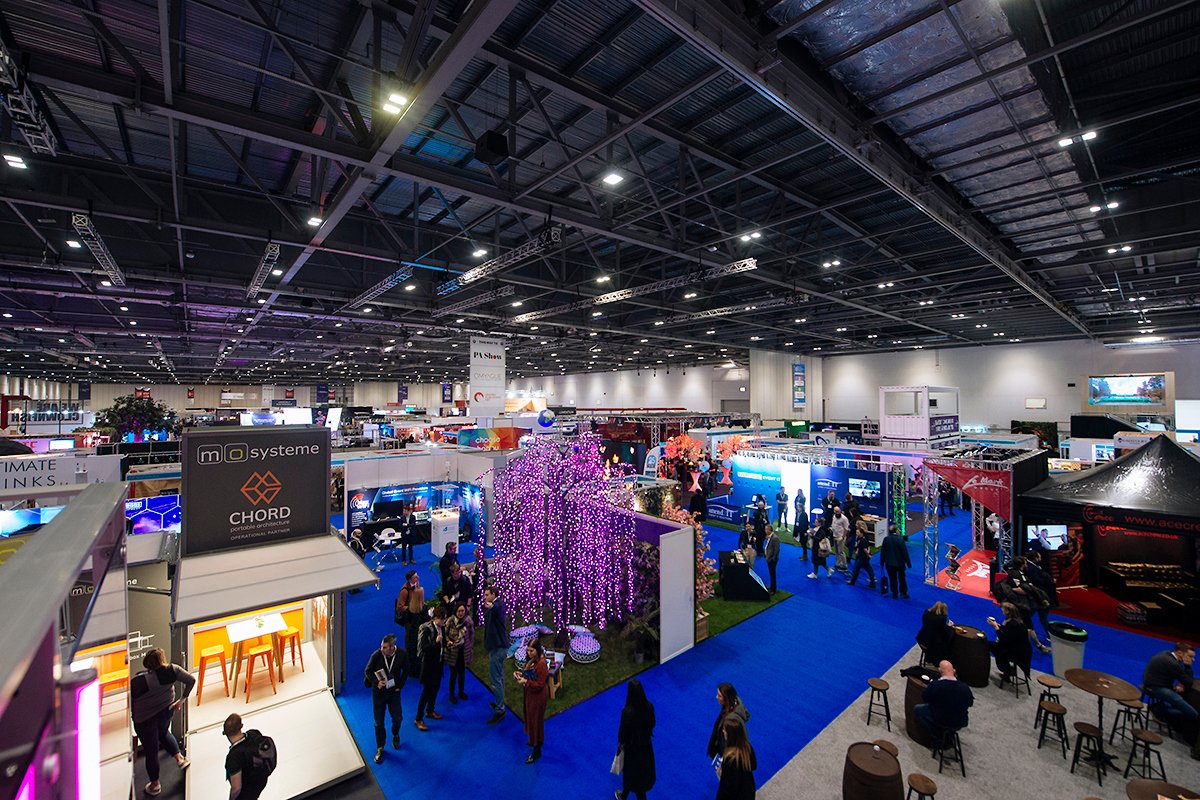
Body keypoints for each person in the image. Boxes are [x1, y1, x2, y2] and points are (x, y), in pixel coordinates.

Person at [130, 647, 194, 797]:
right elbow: (191, 680)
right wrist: (182, 700)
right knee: (164, 733)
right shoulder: (173, 670)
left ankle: (155, 784)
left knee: (151, 750)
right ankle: (179, 759)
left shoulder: (140, 681)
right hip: (166, 711)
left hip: (144, 720)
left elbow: (130, 700)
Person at [1142, 642, 1199, 759]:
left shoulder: (1167, 654)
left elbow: (1181, 679)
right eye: (1190, 657)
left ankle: (1161, 710)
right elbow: (1189, 682)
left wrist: (1180, 684)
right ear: (1180, 653)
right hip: (1157, 688)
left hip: (1156, 683)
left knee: (1181, 699)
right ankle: (1159, 710)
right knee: (1193, 714)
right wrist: (1188, 667)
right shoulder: (1173, 664)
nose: (1193, 660)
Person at [364, 633, 407, 764]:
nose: (381, 649)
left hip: (394, 691)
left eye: (385, 647)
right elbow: (368, 671)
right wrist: (376, 682)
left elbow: (406, 670)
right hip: (379, 693)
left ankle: (395, 734)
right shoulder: (376, 655)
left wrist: (400, 686)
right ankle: (380, 747)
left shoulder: (401, 654)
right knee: (378, 722)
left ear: (393, 647)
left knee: (398, 717)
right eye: (382, 646)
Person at [993, 557, 1052, 652]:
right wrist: (1029, 591)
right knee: (1011, 622)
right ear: (1022, 564)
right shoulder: (1015, 574)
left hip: (1020, 604)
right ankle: (1000, 640)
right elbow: (1020, 589)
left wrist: (1029, 588)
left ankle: (1038, 645)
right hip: (1016, 604)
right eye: (1025, 563)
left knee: (1026, 624)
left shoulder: (1021, 573)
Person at [913, 660, 974, 746]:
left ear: (940, 671)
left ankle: (938, 738)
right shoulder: (965, 687)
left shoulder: (936, 685)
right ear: (954, 671)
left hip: (941, 719)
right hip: (961, 721)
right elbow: (970, 703)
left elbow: (925, 697)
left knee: (918, 709)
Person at [616, 679, 656, 800]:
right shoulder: (649, 707)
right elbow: (653, 723)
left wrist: (621, 744)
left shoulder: (626, 712)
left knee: (632, 778)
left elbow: (622, 734)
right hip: (646, 747)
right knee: (640, 777)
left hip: (632, 749)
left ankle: (623, 796)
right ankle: (623, 796)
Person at [414, 606, 447, 731]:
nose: (443, 622)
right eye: (442, 619)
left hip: (438, 664)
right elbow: (424, 647)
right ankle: (418, 718)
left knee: (436, 688)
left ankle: (430, 710)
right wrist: (436, 642)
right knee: (426, 692)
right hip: (428, 666)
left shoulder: (441, 628)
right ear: (435, 618)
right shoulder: (427, 629)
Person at [516, 639, 549, 763]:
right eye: (528, 650)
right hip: (531, 694)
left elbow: (540, 684)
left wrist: (526, 682)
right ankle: (534, 741)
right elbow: (530, 675)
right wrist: (522, 675)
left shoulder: (541, 664)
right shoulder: (532, 660)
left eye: (531, 650)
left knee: (536, 722)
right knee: (531, 718)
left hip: (538, 696)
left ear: (537, 650)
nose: (529, 653)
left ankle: (537, 750)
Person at [223, 713, 269, 800]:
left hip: (247, 792)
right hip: (260, 781)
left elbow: (236, 788)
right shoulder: (254, 734)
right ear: (241, 726)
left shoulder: (233, 757)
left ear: (226, 733)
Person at [483, 584, 510, 723]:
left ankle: (500, 709)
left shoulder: (498, 605)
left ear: (494, 595)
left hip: (498, 647)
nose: (485, 597)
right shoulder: (494, 605)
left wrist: (491, 607)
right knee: (499, 677)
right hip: (496, 646)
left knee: (496, 680)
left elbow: (497, 609)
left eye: (487, 595)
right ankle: (500, 702)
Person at [986, 602, 1032, 683]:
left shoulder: (1013, 624)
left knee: (990, 646)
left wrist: (996, 627)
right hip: (1018, 648)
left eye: (1003, 610)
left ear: (1007, 611)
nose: (1002, 612)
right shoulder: (1016, 621)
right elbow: (1007, 631)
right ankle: (1007, 670)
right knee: (994, 646)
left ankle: (1006, 670)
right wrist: (998, 625)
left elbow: (1004, 639)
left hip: (1016, 651)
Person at [714, 716, 756, 800]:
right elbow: (754, 765)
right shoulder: (747, 747)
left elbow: (729, 788)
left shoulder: (730, 759)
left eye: (725, 730)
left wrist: (722, 773)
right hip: (749, 791)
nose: (723, 732)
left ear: (730, 734)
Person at [706, 682, 750, 761]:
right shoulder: (734, 703)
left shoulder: (731, 719)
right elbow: (746, 715)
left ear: (726, 698)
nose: (716, 697)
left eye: (719, 696)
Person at [394, 570, 425, 678]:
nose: (418, 578)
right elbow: (399, 606)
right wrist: (412, 608)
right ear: (410, 579)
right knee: (410, 642)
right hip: (409, 619)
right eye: (415, 577)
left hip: (416, 615)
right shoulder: (404, 591)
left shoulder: (417, 585)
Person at [444, 602, 474, 704]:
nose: (461, 613)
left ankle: (461, 692)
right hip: (453, 652)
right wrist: (449, 641)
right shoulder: (450, 621)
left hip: (464, 652)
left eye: (462, 611)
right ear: (455, 611)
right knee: (453, 675)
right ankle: (452, 694)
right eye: (459, 611)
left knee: (462, 674)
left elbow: (471, 634)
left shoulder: (468, 621)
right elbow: (445, 634)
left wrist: (470, 646)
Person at [880, 523, 911, 599]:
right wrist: (908, 563)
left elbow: (883, 551)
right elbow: (905, 552)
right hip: (900, 563)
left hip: (889, 563)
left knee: (892, 578)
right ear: (896, 530)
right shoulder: (900, 539)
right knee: (902, 578)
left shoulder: (886, 539)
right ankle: (903, 592)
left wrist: (882, 562)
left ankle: (894, 593)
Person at [471, 546, 490, 626]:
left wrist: (474, 575)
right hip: (476, 586)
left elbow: (483, 576)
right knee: (476, 603)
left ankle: (480, 621)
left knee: (480, 603)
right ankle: (476, 620)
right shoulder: (476, 562)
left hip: (481, 586)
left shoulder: (483, 563)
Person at [829, 507, 850, 571]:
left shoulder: (844, 519)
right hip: (835, 535)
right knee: (836, 551)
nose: (837, 513)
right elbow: (833, 524)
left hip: (841, 537)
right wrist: (831, 529)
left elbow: (846, 529)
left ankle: (844, 565)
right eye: (836, 512)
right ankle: (837, 563)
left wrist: (843, 537)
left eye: (838, 511)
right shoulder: (834, 517)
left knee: (841, 552)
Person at [763, 525, 780, 593]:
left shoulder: (775, 538)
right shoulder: (770, 537)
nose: (765, 531)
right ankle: (772, 587)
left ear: (770, 530)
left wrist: (773, 558)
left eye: (766, 529)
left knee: (772, 574)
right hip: (769, 558)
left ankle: (773, 589)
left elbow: (777, 550)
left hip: (772, 560)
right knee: (771, 573)